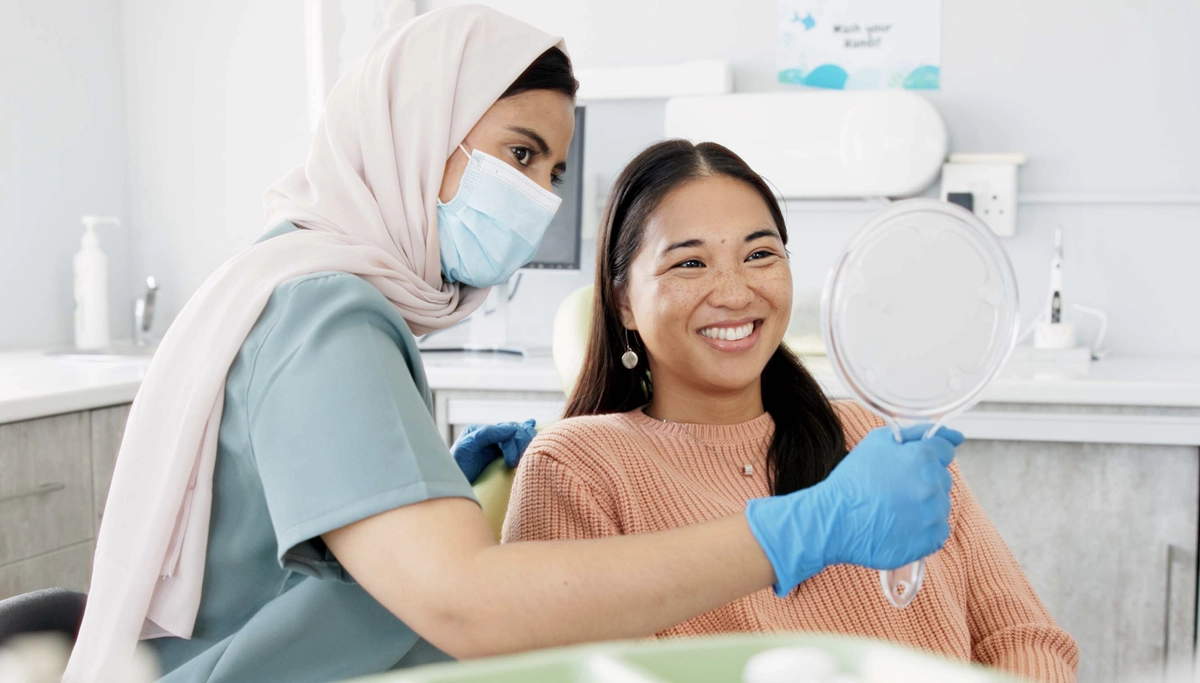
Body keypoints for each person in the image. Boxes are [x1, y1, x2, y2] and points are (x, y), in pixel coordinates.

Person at [64, 8, 963, 683]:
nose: (537, 198)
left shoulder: (298, 285)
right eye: (519, 154)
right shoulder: (328, 317)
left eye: (555, 172)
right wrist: (810, 528)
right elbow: (468, 603)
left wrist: (423, 484)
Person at [503, 140, 1080, 683]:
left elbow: (1025, 637)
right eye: (689, 264)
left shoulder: (876, 441)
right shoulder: (577, 467)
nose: (734, 292)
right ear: (623, 299)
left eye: (760, 254)